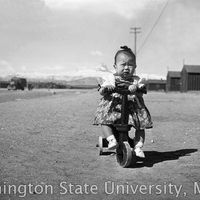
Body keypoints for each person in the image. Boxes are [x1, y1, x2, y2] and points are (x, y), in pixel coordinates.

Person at [93, 46, 153, 158]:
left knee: (141, 125)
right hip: (114, 108)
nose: (126, 67)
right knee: (104, 120)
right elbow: (102, 89)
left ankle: (138, 146)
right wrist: (106, 89)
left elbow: (142, 88)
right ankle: (111, 140)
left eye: (130, 65)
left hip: (131, 109)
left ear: (135, 67)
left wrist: (136, 87)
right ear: (115, 66)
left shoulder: (136, 79)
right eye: (123, 64)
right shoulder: (111, 78)